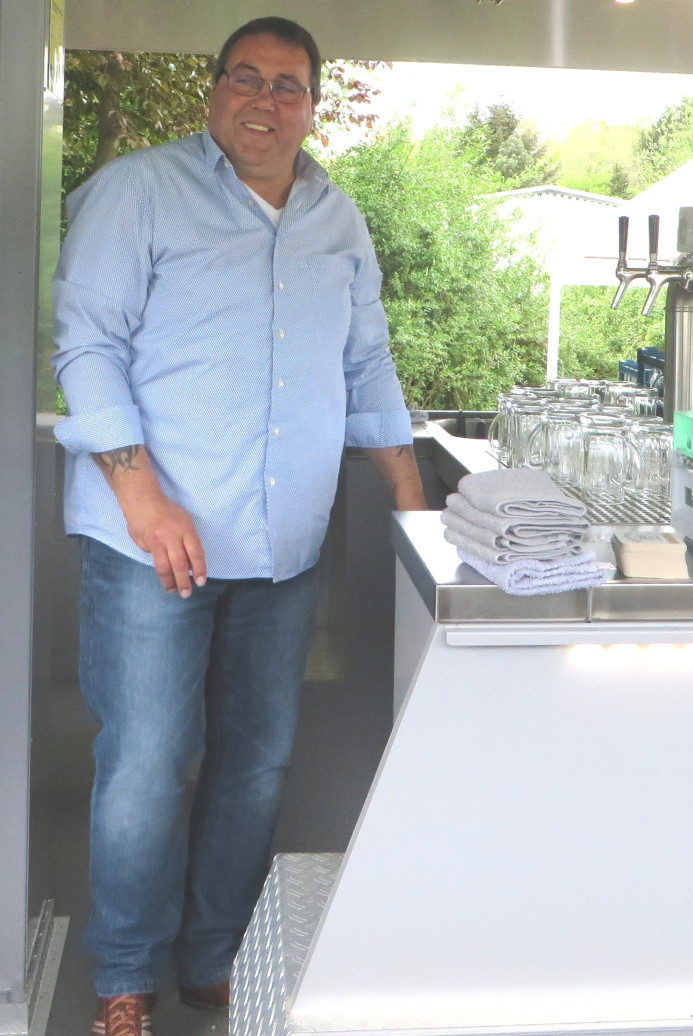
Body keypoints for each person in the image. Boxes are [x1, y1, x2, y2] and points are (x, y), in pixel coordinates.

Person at [52, 16, 427, 1036]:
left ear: (312, 107)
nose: (264, 100)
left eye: (287, 85)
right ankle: (125, 973)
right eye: (245, 77)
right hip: (149, 543)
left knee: (256, 764)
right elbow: (86, 344)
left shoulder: (337, 218)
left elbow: (365, 364)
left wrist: (412, 507)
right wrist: (142, 495)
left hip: (280, 547)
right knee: (145, 765)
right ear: (214, 89)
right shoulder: (139, 191)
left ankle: (215, 956)